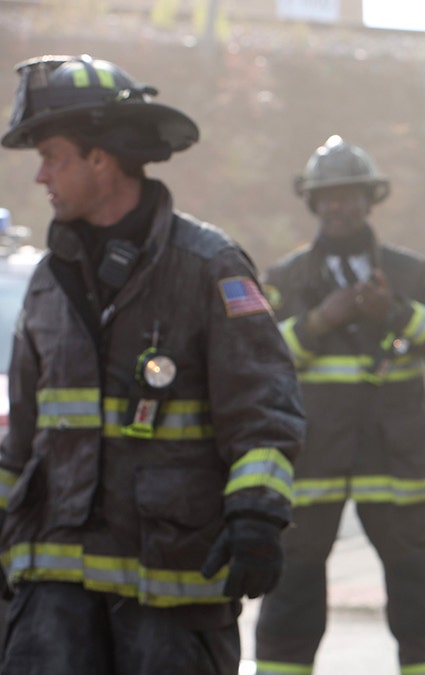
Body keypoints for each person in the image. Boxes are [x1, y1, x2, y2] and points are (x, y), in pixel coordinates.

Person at [0, 55, 305, 673]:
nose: (40, 176)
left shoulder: (208, 268)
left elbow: (264, 416)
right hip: (52, 591)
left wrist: (255, 516)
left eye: (53, 155)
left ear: (100, 159)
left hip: (170, 586)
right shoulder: (45, 284)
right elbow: (21, 444)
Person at [254, 135, 425, 675]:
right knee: (292, 595)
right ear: (313, 201)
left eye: (350, 195)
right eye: (328, 196)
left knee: (415, 590)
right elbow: (252, 358)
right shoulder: (286, 279)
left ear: (369, 199)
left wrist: (396, 313)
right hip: (312, 465)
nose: (339, 205)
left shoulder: (408, 273)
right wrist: (317, 322)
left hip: (395, 464)